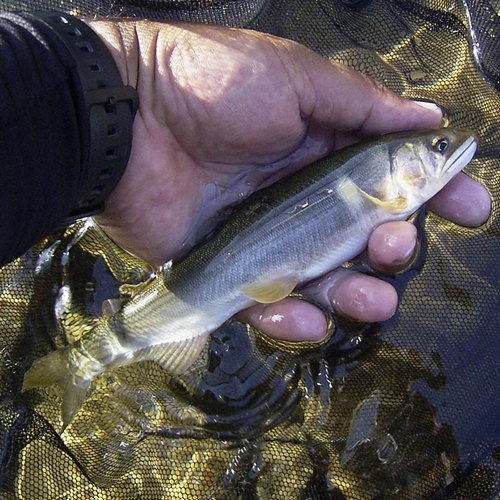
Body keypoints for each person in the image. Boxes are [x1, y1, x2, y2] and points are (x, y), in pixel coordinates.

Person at [0, 12, 491, 343]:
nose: (448, 147)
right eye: (438, 147)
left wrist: (135, 76)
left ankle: (109, 345)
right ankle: (100, 351)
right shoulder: (380, 184)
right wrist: (131, 76)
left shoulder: (380, 184)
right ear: (394, 166)